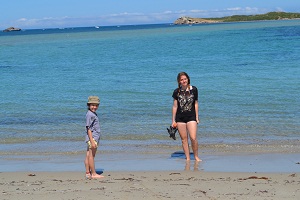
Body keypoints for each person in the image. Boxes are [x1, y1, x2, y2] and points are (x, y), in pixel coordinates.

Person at [172, 72, 202, 162]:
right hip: (180, 118)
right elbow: (175, 107)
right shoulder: (176, 92)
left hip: (191, 117)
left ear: (188, 79)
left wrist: (197, 117)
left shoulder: (194, 89)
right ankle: (188, 158)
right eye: (181, 79)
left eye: (185, 79)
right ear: (179, 81)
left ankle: (196, 157)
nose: (184, 81)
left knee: (193, 138)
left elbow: (196, 103)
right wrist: (173, 120)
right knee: (184, 139)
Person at [84, 96, 104, 179]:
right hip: (93, 138)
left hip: (92, 137)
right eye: (92, 105)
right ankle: (94, 174)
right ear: (89, 105)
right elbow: (88, 128)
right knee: (91, 156)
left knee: (88, 155)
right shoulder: (90, 115)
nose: (94, 107)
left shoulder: (91, 114)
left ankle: (88, 172)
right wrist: (92, 141)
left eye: (96, 105)